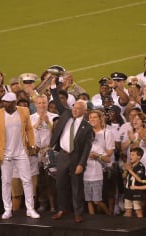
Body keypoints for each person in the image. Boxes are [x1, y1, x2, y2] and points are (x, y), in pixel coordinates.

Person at [0, 92, 40, 220]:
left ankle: (30, 209)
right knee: (5, 182)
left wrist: (32, 144)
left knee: (27, 180)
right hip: (5, 153)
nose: (4, 104)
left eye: (8, 102)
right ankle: (7, 209)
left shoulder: (24, 111)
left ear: (14, 103)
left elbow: (29, 129)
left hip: (21, 151)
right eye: (4, 102)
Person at [49, 77, 93, 223]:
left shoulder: (87, 127)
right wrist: (53, 86)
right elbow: (56, 100)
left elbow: (87, 148)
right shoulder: (66, 113)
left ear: (84, 111)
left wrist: (82, 164)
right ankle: (62, 209)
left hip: (75, 158)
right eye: (74, 107)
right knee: (60, 185)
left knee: (76, 187)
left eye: (78, 109)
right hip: (62, 155)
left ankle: (78, 212)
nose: (75, 111)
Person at [123, 147, 145, 218]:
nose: (130, 157)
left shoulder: (141, 167)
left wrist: (130, 170)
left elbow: (139, 179)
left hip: (136, 191)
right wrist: (126, 170)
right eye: (130, 155)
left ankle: (141, 226)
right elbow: (123, 176)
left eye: (133, 155)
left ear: (139, 156)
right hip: (128, 190)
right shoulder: (130, 165)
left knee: (138, 211)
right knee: (128, 210)